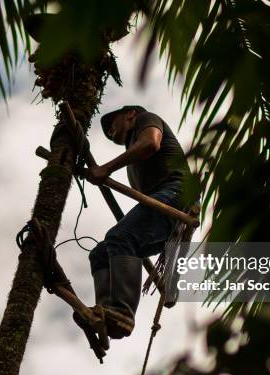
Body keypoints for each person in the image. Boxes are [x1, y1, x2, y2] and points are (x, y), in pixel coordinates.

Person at [83, 105, 193, 339]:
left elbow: (151, 144)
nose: (110, 133)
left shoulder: (146, 119)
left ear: (131, 114)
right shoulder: (134, 162)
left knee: (121, 237)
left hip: (176, 194)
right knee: (101, 254)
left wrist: (106, 169)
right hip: (163, 210)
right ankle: (107, 314)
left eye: (112, 125)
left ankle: (122, 312)